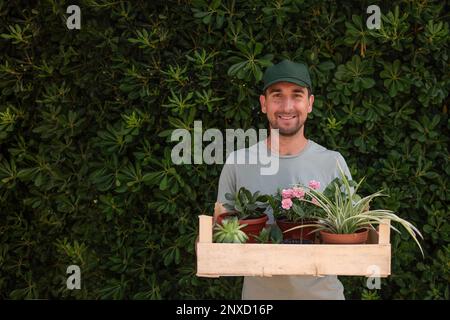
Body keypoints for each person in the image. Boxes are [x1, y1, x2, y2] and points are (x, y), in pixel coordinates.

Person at [215, 59, 352, 300]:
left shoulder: (333, 163)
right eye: (277, 96)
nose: (287, 106)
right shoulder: (238, 162)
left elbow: (351, 237)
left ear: (310, 103)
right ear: (264, 103)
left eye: (297, 95)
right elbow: (221, 233)